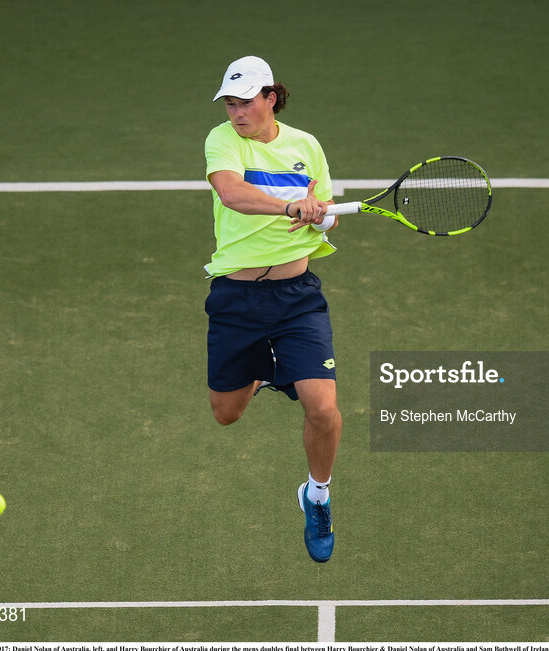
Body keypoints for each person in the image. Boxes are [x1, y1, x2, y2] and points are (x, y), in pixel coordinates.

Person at [203, 55, 341, 563]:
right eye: (230, 103)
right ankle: (269, 373)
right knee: (226, 414)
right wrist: (289, 206)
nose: (237, 112)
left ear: (271, 98)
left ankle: (318, 496)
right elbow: (232, 193)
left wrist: (320, 217)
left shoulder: (307, 147)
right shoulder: (223, 140)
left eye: (245, 102)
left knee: (323, 409)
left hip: (296, 298)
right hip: (236, 299)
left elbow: (322, 213)